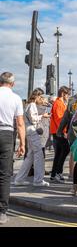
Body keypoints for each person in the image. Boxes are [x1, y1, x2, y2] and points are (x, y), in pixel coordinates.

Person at [0, 72, 25, 225]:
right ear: (13, 84)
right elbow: (20, 123)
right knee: (4, 174)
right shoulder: (15, 98)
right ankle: (2, 212)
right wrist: (22, 144)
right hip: (7, 134)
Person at [14, 89, 50, 187]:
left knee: (30, 156)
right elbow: (34, 119)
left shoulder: (29, 105)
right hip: (32, 131)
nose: (42, 99)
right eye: (41, 97)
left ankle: (19, 179)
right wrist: (43, 115)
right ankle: (38, 180)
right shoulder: (32, 105)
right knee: (39, 155)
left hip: (29, 131)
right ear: (37, 96)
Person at [57, 87, 77, 196]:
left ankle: (75, 186)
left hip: (72, 133)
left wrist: (60, 130)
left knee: (76, 159)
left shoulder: (71, 100)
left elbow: (65, 117)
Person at [50, 86, 71, 182]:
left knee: (59, 153)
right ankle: (58, 172)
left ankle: (54, 173)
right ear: (63, 93)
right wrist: (64, 131)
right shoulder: (58, 103)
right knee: (65, 150)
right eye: (68, 94)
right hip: (59, 131)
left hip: (57, 131)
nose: (69, 96)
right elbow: (59, 119)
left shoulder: (60, 103)